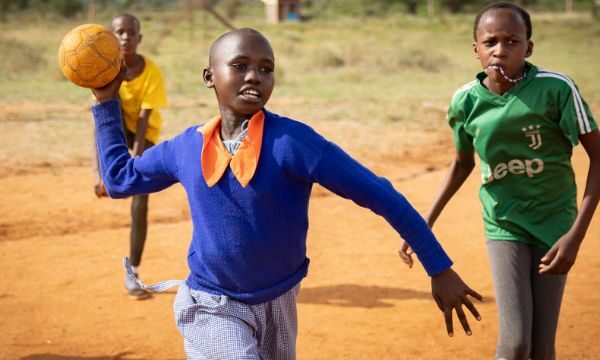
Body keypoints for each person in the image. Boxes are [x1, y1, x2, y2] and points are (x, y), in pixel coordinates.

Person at [91, 28, 482, 359]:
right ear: (209, 76)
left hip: (280, 301)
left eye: (266, 69)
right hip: (211, 302)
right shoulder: (185, 148)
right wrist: (106, 102)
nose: (254, 77)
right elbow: (120, 179)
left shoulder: (294, 143)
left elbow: (379, 194)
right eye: (240, 66)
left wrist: (438, 266)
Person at [399, 2, 600, 359]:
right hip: (503, 222)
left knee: (541, 347)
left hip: (556, 223)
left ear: (529, 47)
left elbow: (598, 156)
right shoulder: (465, 101)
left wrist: (575, 237)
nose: (500, 50)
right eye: (490, 41)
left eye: (512, 41)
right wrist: (423, 223)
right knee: (516, 343)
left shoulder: (556, 89)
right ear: (475, 48)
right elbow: (462, 163)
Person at [91, 13, 168, 300]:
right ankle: (110, 175)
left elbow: (145, 121)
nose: (125, 37)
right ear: (111, 38)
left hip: (143, 138)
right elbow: (100, 125)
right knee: (108, 107)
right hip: (118, 130)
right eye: (119, 32)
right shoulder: (104, 70)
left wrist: (134, 166)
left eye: (130, 32)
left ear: (139, 38)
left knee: (140, 203)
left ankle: (132, 272)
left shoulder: (151, 71)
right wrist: (97, 172)